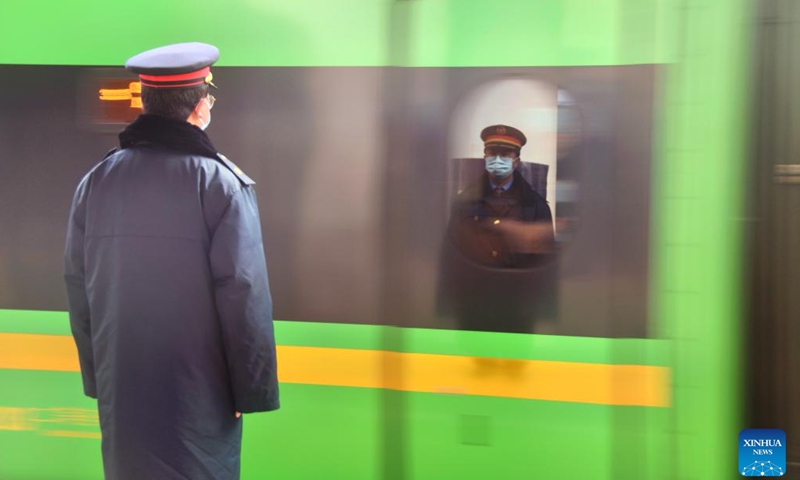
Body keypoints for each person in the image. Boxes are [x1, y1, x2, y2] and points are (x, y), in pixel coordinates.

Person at [63, 42, 279, 480]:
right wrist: (249, 391)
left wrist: (100, 378)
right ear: (200, 108)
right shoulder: (222, 184)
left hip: (123, 388)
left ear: (146, 103)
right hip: (201, 395)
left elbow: (77, 282)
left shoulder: (96, 182)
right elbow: (243, 291)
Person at [438, 124, 557, 334]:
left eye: (505, 153)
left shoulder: (536, 206)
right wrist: (446, 307)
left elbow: (546, 265)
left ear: (516, 161)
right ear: (485, 156)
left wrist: (544, 311)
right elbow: (450, 254)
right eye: (492, 153)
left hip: (519, 310)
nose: (498, 159)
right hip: (472, 306)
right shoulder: (463, 202)